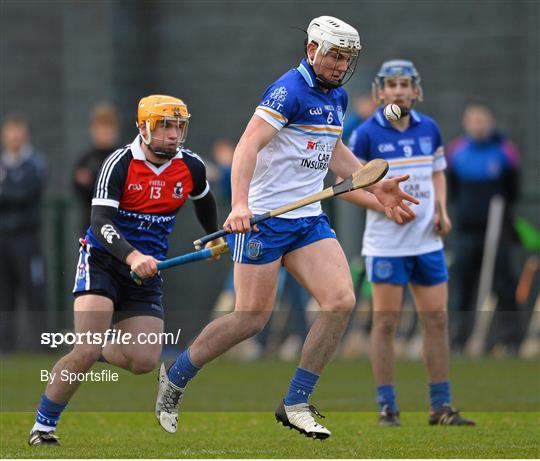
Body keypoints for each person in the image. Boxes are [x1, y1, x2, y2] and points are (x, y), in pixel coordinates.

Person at [155, 16, 418, 440]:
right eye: (334, 55)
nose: (339, 65)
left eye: (346, 58)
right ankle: (176, 375)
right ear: (312, 49)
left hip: (307, 221)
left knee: (340, 300)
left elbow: (335, 153)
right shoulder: (288, 91)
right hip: (264, 222)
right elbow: (247, 145)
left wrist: (376, 186)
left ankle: (295, 401)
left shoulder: (338, 97)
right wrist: (240, 204)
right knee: (250, 320)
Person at [28, 95, 221, 446]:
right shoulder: (119, 163)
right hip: (103, 260)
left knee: (144, 360)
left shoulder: (190, 166)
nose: (173, 134)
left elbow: (204, 200)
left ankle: (96, 345)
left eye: (178, 126)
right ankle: (43, 426)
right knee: (84, 351)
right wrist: (132, 256)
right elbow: (100, 221)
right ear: (143, 128)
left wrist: (212, 238)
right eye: (165, 125)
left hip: (147, 272)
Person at [348, 59, 475, 426]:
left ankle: (441, 406)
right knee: (386, 324)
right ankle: (387, 405)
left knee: (436, 321)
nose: (399, 91)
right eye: (392, 85)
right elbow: (347, 189)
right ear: (380, 92)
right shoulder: (367, 134)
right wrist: (382, 205)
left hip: (427, 243)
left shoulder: (430, 129)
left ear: (416, 90)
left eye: (405, 84)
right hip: (387, 245)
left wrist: (442, 210)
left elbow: (437, 174)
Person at [446, 101, 521, 355]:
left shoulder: (504, 151)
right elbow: (452, 189)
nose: (478, 124)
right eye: (473, 119)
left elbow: (513, 191)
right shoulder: (456, 152)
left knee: (504, 285)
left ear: (489, 122)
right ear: (466, 122)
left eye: (482, 119)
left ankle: (510, 341)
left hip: (498, 230)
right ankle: (458, 339)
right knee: (462, 286)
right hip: (467, 230)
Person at [0, 114, 47, 353]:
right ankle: (6, 349)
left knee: (33, 292)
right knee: (4, 295)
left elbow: (24, 194)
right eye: (10, 131)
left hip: (27, 241)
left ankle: (42, 348)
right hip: (3, 241)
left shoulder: (35, 165)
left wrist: (6, 192)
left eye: (18, 131)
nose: (14, 136)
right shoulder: (3, 164)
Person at [73, 102, 121, 235]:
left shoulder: (122, 158)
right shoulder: (85, 159)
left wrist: (91, 181)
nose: (104, 132)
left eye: (108, 127)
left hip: (118, 227)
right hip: (90, 226)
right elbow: (77, 189)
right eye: (100, 127)